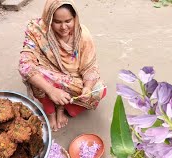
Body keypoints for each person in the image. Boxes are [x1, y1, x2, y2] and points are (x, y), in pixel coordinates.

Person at [18, 0, 106, 132]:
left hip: (72, 78)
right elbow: (25, 65)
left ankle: (61, 108)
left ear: (75, 18)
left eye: (68, 21)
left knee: (99, 90)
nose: (64, 27)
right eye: (57, 22)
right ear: (48, 19)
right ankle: (50, 112)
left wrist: (87, 88)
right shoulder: (36, 31)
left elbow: (90, 66)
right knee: (37, 77)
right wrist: (51, 90)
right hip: (48, 77)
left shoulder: (83, 35)